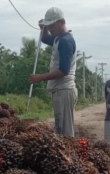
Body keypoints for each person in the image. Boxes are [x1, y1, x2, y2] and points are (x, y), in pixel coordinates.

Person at [29, 7, 77, 137]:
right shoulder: (58, 38)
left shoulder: (66, 41)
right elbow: (45, 39)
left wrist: (41, 77)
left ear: (61, 22)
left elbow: (64, 70)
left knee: (65, 132)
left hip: (64, 89)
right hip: (59, 90)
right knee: (60, 128)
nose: (50, 29)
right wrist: (43, 27)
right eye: (48, 26)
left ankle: (68, 156)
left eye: (52, 25)